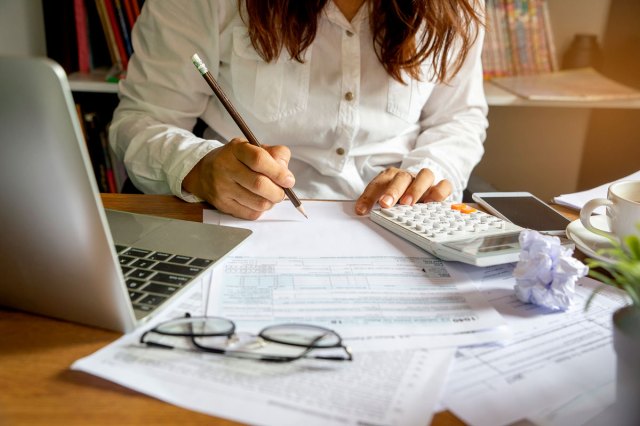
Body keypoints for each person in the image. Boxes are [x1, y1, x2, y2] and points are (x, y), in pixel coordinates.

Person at [110, 0, 488, 220]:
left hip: (398, 224)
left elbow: (458, 118)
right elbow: (142, 120)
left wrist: (428, 173)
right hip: (241, 223)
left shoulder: (457, 7)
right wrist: (197, 168)